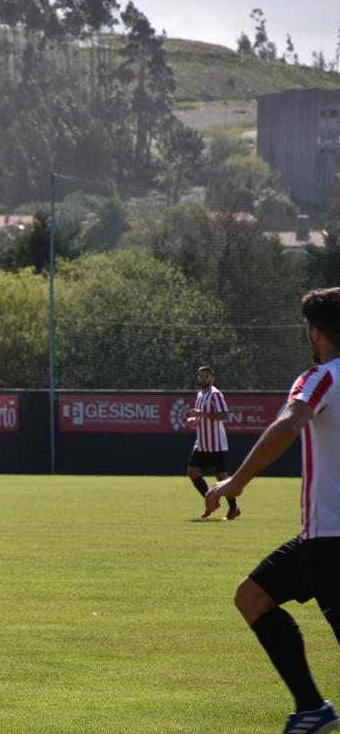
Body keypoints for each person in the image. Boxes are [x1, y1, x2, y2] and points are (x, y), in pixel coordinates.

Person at [205, 288, 340, 734]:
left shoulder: (320, 377)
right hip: (316, 538)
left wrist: (236, 481)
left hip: (331, 538)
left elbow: (288, 423)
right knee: (253, 596)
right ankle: (311, 708)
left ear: (316, 332)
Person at [185, 365, 239, 520]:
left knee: (222, 479)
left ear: (212, 378)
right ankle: (212, 501)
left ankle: (234, 508)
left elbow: (224, 416)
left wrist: (203, 414)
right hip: (202, 443)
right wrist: (194, 420)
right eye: (201, 376)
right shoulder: (200, 395)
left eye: (207, 376)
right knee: (193, 472)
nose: (204, 378)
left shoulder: (215, 395)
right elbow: (202, 417)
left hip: (216, 444)